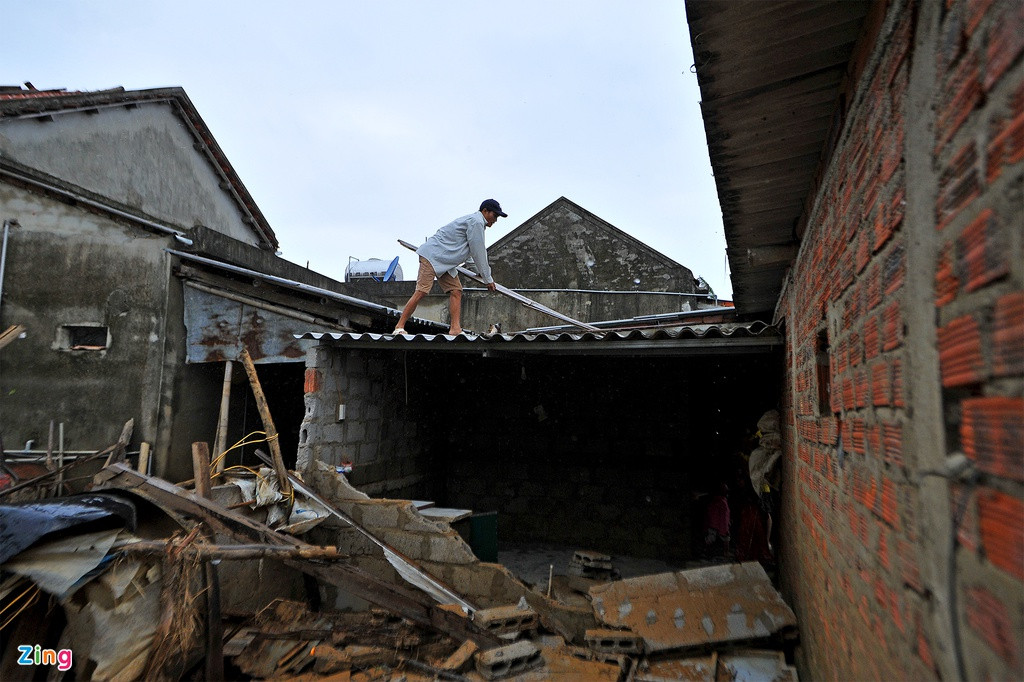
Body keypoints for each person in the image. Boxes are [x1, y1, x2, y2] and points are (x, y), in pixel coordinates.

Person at [392, 199, 506, 335]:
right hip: (432, 256)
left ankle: (455, 329)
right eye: (495, 215)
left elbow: (470, 254)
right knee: (422, 291)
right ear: (485, 211)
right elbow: (479, 252)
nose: (495, 220)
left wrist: (479, 272)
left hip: (445, 261)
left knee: (456, 291)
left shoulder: (475, 223)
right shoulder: (476, 222)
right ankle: (399, 327)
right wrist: (488, 279)